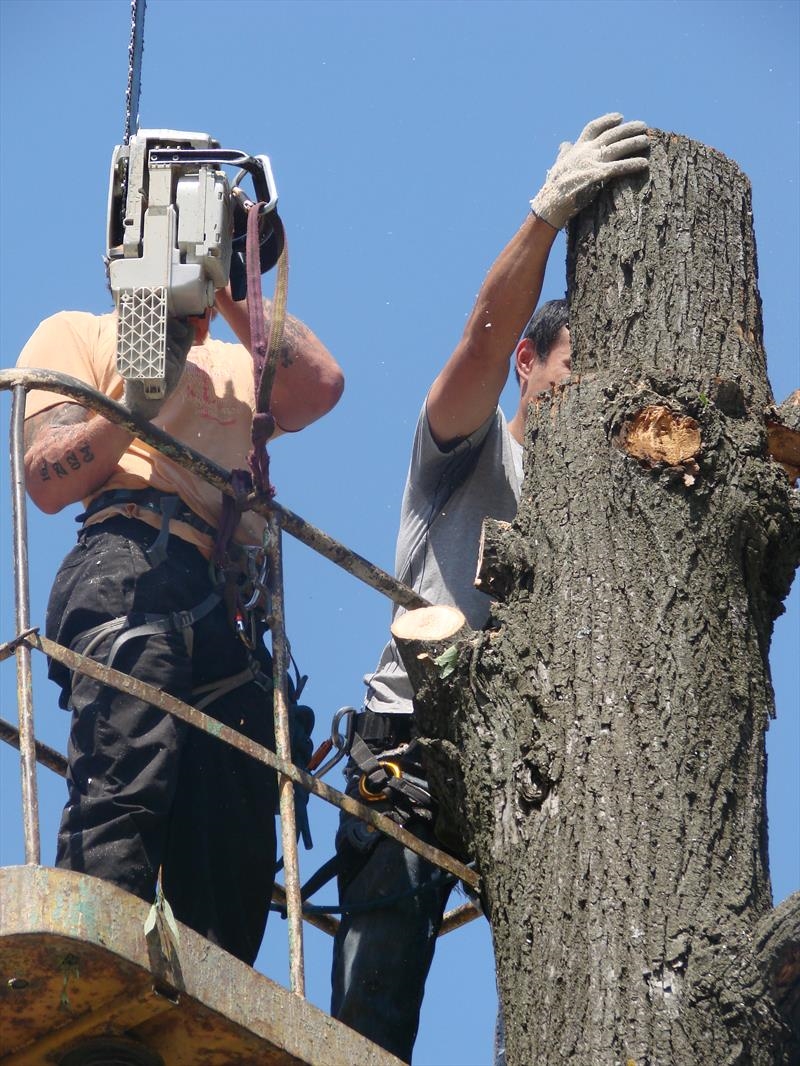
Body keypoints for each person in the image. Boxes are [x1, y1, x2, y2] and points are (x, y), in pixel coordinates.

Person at [330, 112, 649, 1063]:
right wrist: (545, 217)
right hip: (409, 749)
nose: (580, 399)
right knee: (374, 1014)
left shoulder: (587, 522)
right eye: (568, 374)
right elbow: (479, 335)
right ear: (529, 363)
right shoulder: (468, 453)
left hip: (513, 778)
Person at [17, 286, 344, 965]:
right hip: (129, 562)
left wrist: (228, 286)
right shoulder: (78, 333)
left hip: (227, 604)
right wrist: (136, 402)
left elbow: (318, 387)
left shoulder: (235, 363)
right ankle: (93, 968)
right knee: (128, 769)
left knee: (236, 822)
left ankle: (206, 1003)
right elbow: (47, 479)